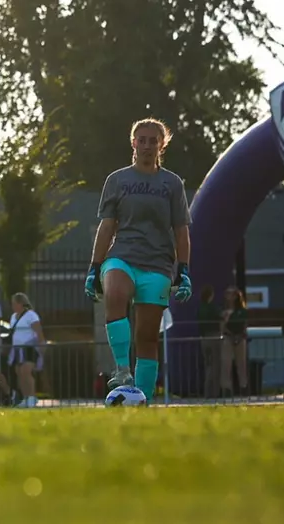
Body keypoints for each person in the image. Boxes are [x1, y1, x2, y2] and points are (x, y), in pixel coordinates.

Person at [85, 118, 192, 404]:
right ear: (133, 143)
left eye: (152, 141)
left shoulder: (172, 183)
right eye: (141, 140)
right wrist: (95, 267)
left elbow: (181, 230)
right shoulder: (117, 180)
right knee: (116, 293)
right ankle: (122, 370)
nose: (146, 145)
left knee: (146, 336)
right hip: (122, 256)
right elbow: (107, 226)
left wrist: (183, 270)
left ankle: (141, 399)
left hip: (158, 264)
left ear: (161, 145)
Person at [7, 293, 45, 407]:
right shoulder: (13, 316)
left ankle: (32, 397)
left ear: (21, 303)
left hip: (29, 348)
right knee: (19, 372)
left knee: (26, 371)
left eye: (14, 303)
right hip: (17, 349)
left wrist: (42, 346)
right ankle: (25, 397)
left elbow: (39, 332)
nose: (13, 306)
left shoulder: (31, 315)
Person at [195, 284, 223, 398]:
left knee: (208, 365)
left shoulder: (200, 308)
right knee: (216, 366)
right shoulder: (213, 308)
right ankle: (215, 392)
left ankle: (207, 391)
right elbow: (220, 318)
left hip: (204, 338)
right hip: (214, 337)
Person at [222, 286, 250, 396]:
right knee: (226, 363)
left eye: (231, 294)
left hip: (240, 338)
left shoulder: (242, 311)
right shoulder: (224, 311)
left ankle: (243, 386)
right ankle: (226, 388)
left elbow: (244, 324)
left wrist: (240, 335)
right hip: (228, 337)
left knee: (241, 364)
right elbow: (222, 327)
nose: (228, 297)